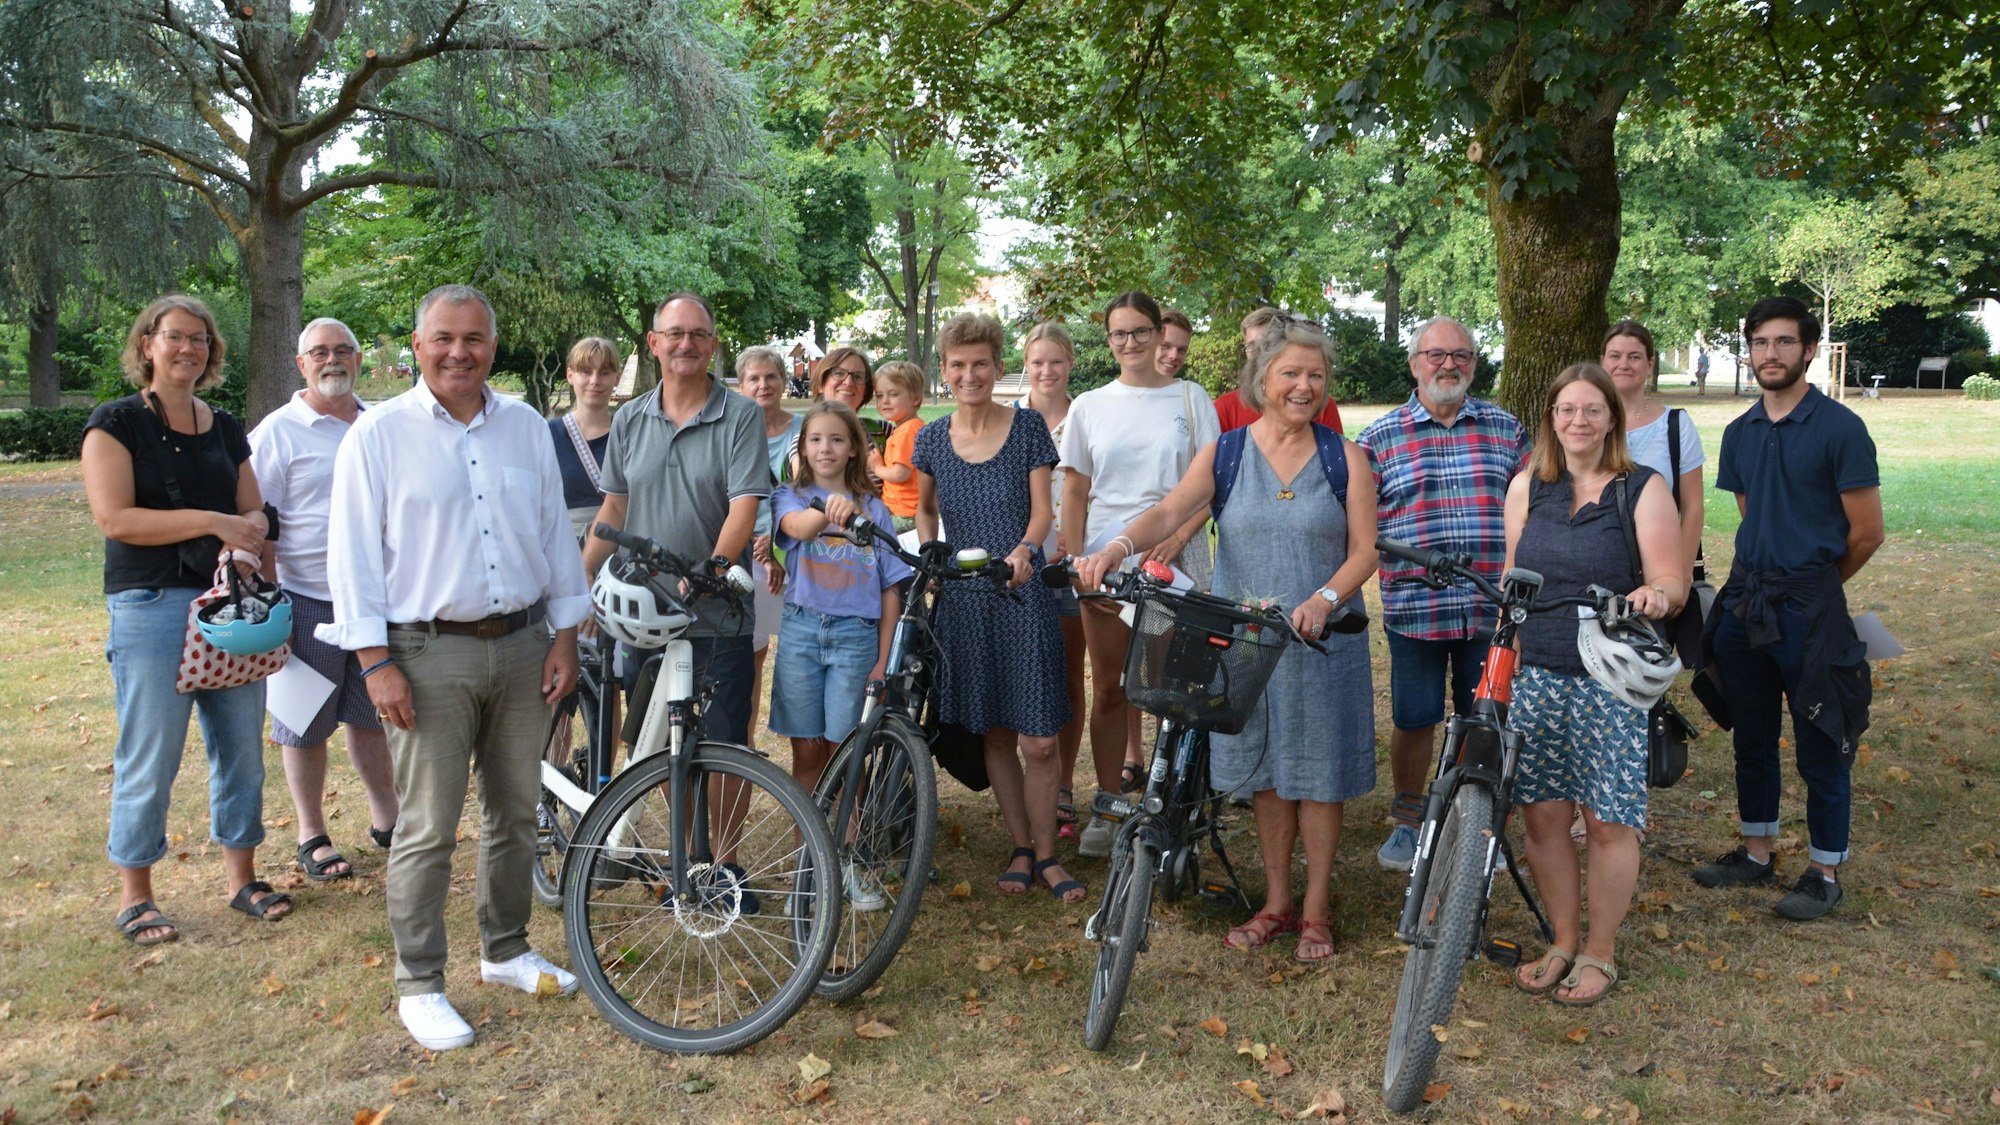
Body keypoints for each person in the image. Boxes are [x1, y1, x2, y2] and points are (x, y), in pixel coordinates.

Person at [322, 285, 589, 1050]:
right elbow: (353, 557)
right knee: (429, 825)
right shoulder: (377, 436)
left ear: (492, 349)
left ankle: (504, 948)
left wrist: (563, 636)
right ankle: (421, 983)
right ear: (417, 344)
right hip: (422, 651)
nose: (458, 352)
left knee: (513, 810)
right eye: (443, 337)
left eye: (473, 339)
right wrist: (374, 661)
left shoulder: (527, 430)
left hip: (521, 646)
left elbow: (553, 536)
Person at [1077, 318, 1378, 963]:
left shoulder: (1343, 455)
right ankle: (1276, 903)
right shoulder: (1229, 451)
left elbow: (1365, 551)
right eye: (1290, 374)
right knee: (1267, 776)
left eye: (1315, 376)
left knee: (1318, 779)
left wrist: (1325, 599)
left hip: (1323, 644)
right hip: (1249, 647)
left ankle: (1318, 911)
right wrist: (1120, 545)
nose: (1304, 386)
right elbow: (1169, 511)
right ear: (1262, 380)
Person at [84, 295, 290, 946]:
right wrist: (213, 520)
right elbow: (115, 519)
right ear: (147, 344)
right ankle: (136, 895)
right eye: (175, 337)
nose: (188, 349)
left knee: (241, 751)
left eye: (200, 339)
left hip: (232, 609)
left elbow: (256, 516)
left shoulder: (226, 426)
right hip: (150, 606)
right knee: (151, 754)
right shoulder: (113, 424)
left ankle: (242, 879)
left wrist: (255, 552)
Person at [1692, 296, 1882, 921]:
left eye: (1783, 343)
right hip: (1748, 600)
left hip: (1810, 607)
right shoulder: (1739, 433)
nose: (1769, 354)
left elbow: (1866, 533)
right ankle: (1755, 851)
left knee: (1821, 737)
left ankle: (1825, 868)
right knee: (1751, 733)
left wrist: (1816, 584)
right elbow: (1753, 511)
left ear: (1808, 350)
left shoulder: (1840, 429)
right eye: (1759, 343)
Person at [1505, 364, 1684, 1005]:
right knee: (1544, 818)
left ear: (1612, 417)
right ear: (1550, 418)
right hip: (1540, 677)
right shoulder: (1529, 486)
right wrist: (1507, 660)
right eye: (1565, 410)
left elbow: (1673, 579)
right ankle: (1561, 939)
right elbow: (1512, 585)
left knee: (1608, 821)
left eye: (1591, 410)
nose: (1577, 421)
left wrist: (1654, 595)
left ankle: (1599, 953)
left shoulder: (1641, 489)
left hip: (1610, 681)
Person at [914, 312, 1081, 902]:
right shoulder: (931, 439)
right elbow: (926, 510)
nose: (969, 374)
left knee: (1038, 737)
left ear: (998, 365)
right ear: (944, 370)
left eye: (979, 363)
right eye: (957, 365)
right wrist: (931, 551)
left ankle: (1049, 853)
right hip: (962, 598)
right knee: (992, 731)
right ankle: (1020, 845)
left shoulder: (1029, 427)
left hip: (1019, 591)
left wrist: (1025, 551)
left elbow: (1043, 511)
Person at [1357, 316, 1529, 871]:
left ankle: (1478, 824)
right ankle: (1409, 822)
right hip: (1416, 607)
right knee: (1414, 717)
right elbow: (1360, 526)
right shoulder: (1378, 438)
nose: (1448, 364)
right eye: (1436, 355)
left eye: (1461, 355)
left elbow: (1533, 513)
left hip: (1489, 607)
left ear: (1474, 365)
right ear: (1414, 364)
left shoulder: (1508, 431)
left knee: (1487, 717)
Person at [1060, 291, 1220, 858]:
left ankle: (1169, 804)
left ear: (1160, 333)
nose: (1129, 343)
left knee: (1172, 691)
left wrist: (1173, 543)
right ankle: (1109, 805)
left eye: (1140, 332)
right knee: (1110, 688)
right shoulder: (1090, 406)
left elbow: (1206, 486)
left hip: (1177, 558)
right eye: (1118, 334)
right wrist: (1078, 560)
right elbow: (1076, 490)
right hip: (1107, 565)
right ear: (1108, 340)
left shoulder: (1192, 399)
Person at [248, 317, 400, 884]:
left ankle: (388, 819)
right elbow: (256, 521)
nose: (331, 360)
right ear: (300, 363)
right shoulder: (277, 433)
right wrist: (271, 600)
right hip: (304, 599)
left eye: (342, 351)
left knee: (372, 716)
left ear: (358, 360)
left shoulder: (381, 424)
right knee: (304, 723)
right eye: (319, 352)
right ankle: (312, 833)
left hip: (375, 603)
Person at [583, 292, 768, 747]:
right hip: (644, 614)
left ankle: (722, 826)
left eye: (698, 335)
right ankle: (680, 823)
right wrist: (581, 573)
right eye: (675, 334)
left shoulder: (741, 415)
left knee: (725, 747)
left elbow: (743, 510)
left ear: (713, 345)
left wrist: (710, 572)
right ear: (653, 342)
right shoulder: (629, 417)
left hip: (718, 615)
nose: (686, 343)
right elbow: (615, 506)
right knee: (655, 744)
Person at [772, 401, 914, 909]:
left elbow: (891, 589)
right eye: (815, 440)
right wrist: (825, 509)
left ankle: (848, 861)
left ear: (853, 447)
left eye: (836, 439)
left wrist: (883, 658)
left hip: (856, 638)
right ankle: (805, 870)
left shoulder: (875, 511)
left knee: (845, 751)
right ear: (802, 448)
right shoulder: (789, 497)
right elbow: (798, 531)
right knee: (808, 751)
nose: (825, 449)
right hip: (803, 632)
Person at [1014, 321, 1088, 837]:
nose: (1046, 371)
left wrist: (1077, 541)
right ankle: (1032, 782)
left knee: (1068, 673)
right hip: (1023, 563)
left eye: (1055, 362)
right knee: (1032, 674)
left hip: (1072, 561)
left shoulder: (1086, 416)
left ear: (1070, 364)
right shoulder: (1013, 422)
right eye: (1037, 362)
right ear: (1025, 365)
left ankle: (1061, 785)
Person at [1601, 321, 1704, 582]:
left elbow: (1692, 508)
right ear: (1602, 361)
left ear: (1650, 364)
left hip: (1659, 574)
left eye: (1634, 357)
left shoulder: (1675, 426)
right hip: (1597, 570)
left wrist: (1678, 580)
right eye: (1615, 356)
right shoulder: (1585, 424)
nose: (1623, 364)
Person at [735, 345, 802, 737]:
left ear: (783, 381)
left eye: (771, 376)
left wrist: (778, 547)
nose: (764, 385)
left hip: (796, 552)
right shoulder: (734, 433)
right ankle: (744, 745)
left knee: (798, 654)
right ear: (742, 386)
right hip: (748, 554)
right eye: (754, 379)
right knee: (752, 656)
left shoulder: (803, 430)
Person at [1213, 307, 1345, 435]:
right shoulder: (1225, 408)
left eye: (1266, 344)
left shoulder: (1320, 404)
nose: (1259, 353)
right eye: (1251, 346)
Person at [548, 336, 619, 540]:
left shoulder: (629, 433)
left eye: (604, 372)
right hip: (564, 546)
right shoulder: (547, 435)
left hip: (620, 551)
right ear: (570, 375)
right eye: (586, 372)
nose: (594, 381)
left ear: (617, 377)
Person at [867, 360, 926, 533]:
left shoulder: (908, 431)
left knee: (872, 538)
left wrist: (877, 468)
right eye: (879, 396)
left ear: (915, 398)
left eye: (893, 394)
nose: (885, 401)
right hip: (902, 510)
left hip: (906, 514)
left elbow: (900, 473)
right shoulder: (907, 428)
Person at [1155, 307, 1193, 380]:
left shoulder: (1191, 391)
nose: (1174, 356)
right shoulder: (1127, 390)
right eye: (1165, 346)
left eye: (1181, 350)